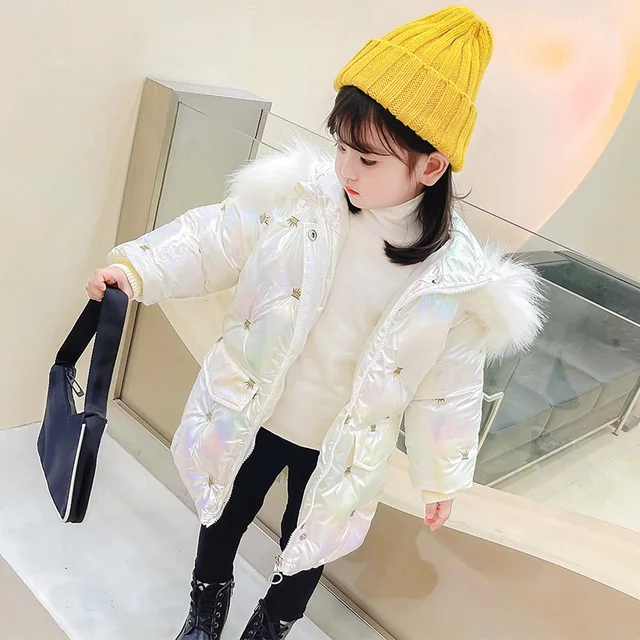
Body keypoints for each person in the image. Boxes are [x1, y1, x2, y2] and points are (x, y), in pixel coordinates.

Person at [86, 6, 543, 640]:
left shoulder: (452, 274)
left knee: (309, 545)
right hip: (259, 408)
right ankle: (205, 609)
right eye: (341, 147)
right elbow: (214, 240)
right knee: (222, 514)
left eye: (369, 159)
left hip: (342, 445)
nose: (346, 169)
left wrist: (443, 475)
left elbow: (450, 383)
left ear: (431, 166)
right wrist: (135, 269)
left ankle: (270, 627)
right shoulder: (299, 200)